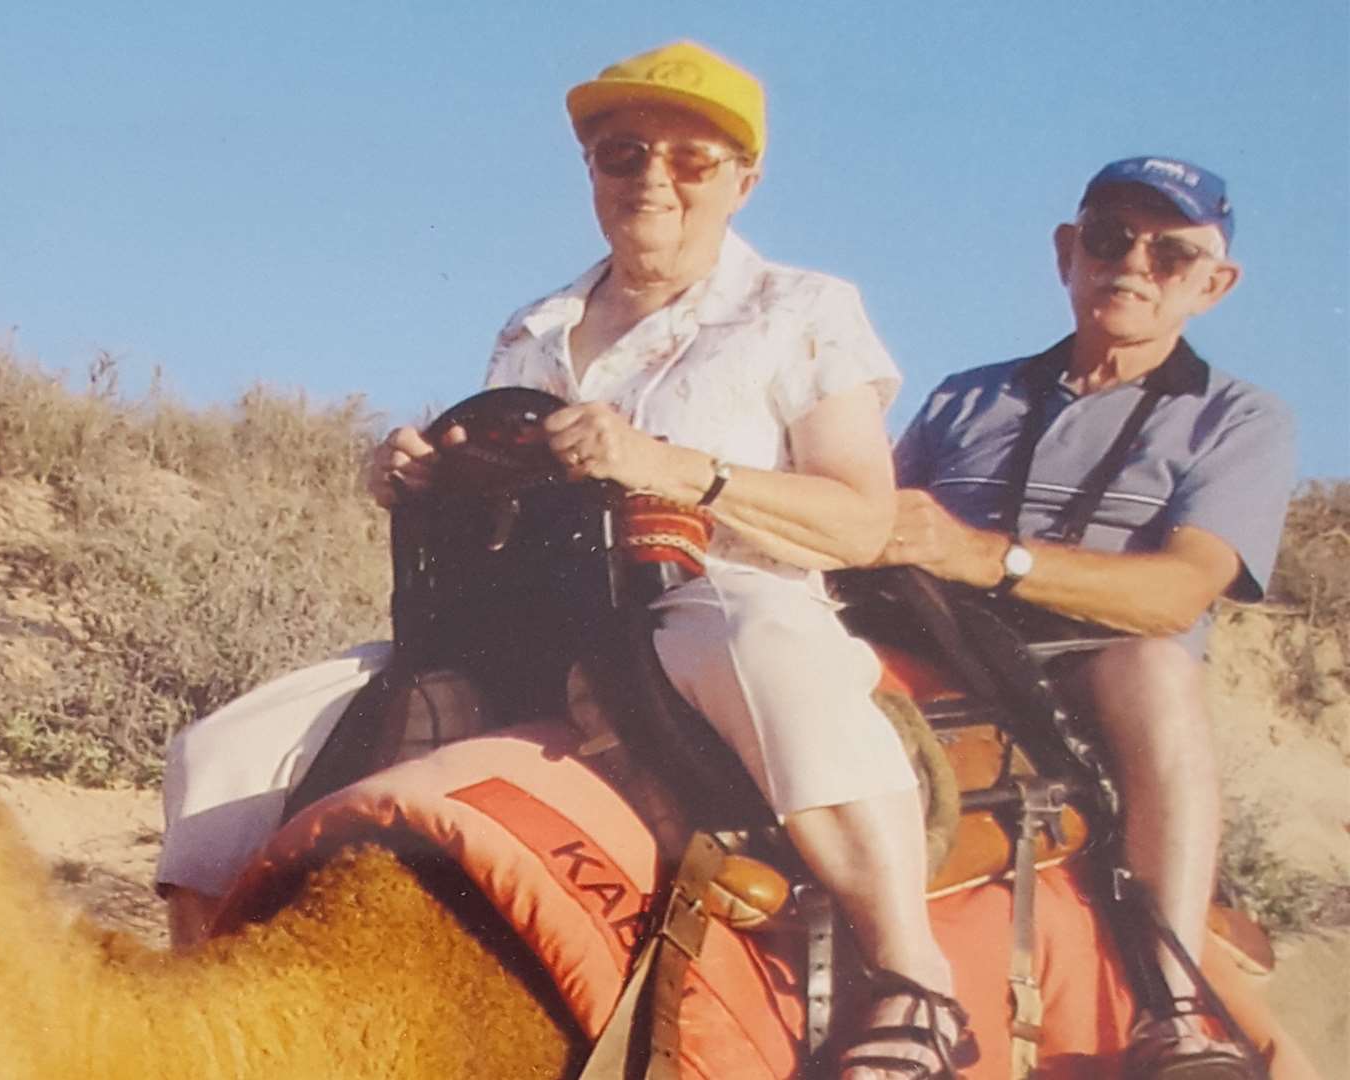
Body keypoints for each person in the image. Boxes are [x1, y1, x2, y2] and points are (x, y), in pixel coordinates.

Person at [161, 40, 962, 1077]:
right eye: (623, 155)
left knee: (768, 652)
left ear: (744, 180)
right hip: (529, 620)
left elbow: (859, 519)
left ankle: (913, 976)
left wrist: (672, 468)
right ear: (592, 170)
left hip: (708, 595)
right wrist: (422, 474)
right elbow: (501, 492)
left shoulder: (803, 312)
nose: (653, 182)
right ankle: (207, 1017)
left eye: (691, 160)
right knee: (224, 749)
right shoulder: (537, 326)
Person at [881, 156, 1297, 1076]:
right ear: (1069, 252)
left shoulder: (1242, 418)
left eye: (1172, 254)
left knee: (1155, 669)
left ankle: (1171, 1005)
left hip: (1096, 665)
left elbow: (1180, 593)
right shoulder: (964, 395)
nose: (1134, 266)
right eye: (1110, 239)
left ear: (1213, 286)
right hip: (934, 646)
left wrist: (992, 558)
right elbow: (879, 526)